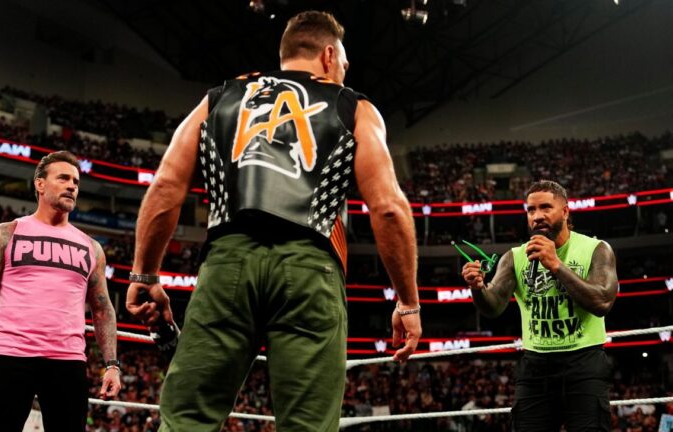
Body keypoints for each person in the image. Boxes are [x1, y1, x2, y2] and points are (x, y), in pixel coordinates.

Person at [126, 10, 422, 431]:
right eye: (343, 63)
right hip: (310, 267)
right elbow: (389, 207)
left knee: (187, 419)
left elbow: (165, 187)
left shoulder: (219, 97)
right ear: (328, 55)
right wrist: (408, 301)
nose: (343, 71)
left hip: (226, 263)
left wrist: (144, 274)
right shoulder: (354, 106)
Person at [0, 151, 121, 431]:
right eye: (63, 178)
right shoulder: (6, 233)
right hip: (12, 354)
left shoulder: (91, 248)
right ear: (40, 184)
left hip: (68, 360)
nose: (72, 186)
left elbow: (103, 308)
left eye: (76, 182)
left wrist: (112, 365)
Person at [461, 180, 619, 431]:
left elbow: (602, 302)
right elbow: (493, 307)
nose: (537, 216)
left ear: (565, 212)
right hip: (536, 366)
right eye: (531, 210)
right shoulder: (515, 257)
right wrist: (477, 288)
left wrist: (556, 265)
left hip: (584, 363)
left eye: (545, 207)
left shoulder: (596, 249)